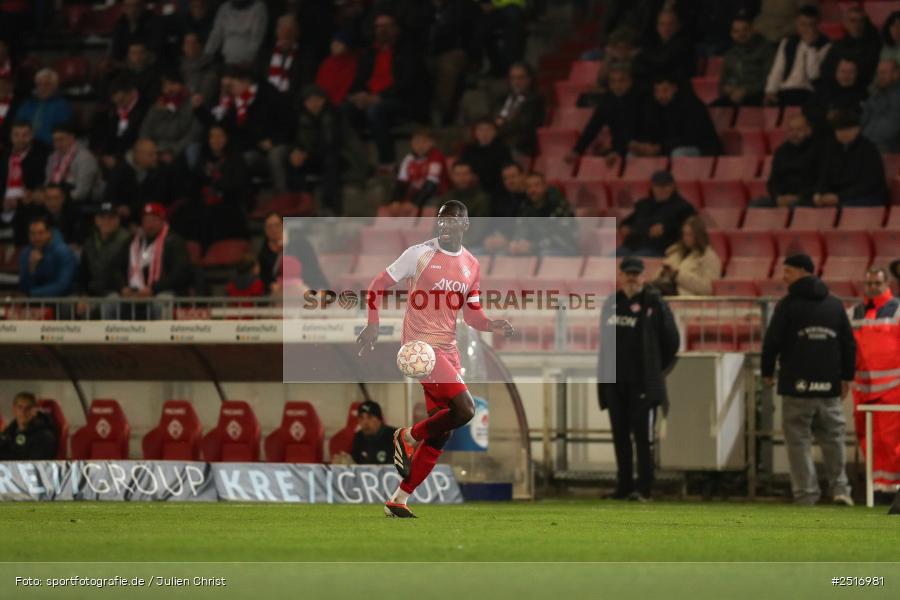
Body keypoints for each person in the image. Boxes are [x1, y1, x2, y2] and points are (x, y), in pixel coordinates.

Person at [357, 200, 514, 518]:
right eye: (442, 221)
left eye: (454, 221)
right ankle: (408, 435)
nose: (447, 225)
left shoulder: (471, 264)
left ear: (465, 226)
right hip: (420, 349)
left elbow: (471, 313)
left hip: (447, 350)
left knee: (442, 430)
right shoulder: (418, 254)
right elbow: (378, 285)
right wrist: (373, 324)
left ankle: (399, 499)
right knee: (465, 409)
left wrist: (490, 323)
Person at [761, 253, 856, 506]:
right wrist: (847, 376)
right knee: (834, 440)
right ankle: (840, 489)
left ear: (802, 271)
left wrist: (767, 371)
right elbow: (848, 343)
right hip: (829, 387)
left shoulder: (787, 305)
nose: (784, 276)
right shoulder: (835, 305)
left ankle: (806, 495)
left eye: (788, 271)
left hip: (796, 387)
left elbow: (772, 342)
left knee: (798, 443)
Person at [597, 256, 679, 501]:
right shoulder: (612, 303)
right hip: (615, 383)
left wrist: (654, 369)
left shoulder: (654, 303)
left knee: (643, 438)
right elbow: (604, 345)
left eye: (636, 274)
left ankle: (644, 488)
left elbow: (672, 342)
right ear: (620, 276)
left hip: (642, 384)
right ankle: (624, 486)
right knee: (620, 436)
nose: (632, 278)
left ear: (643, 276)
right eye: (627, 273)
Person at [345, 12, 423, 170]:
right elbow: (358, 80)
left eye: (386, 26)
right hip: (371, 99)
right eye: (378, 27)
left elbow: (408, 83)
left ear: (396, 29)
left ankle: (387, 161)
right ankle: (356, 162)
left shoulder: (407, 51)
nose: (382, 30)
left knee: (375, 111)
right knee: (343, 110)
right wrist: (358, 95)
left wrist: (379, 97)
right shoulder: (369, 53)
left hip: (400, 101)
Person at [850, 267, 900, 496]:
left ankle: (891, 489)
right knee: (868, 440)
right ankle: (877, 486)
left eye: (876, 284)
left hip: (893, 388)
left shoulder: (897, 310)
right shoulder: (855, 312)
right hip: (862, 390)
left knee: (891, 442)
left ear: (886, 284)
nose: (871, 288)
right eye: (868, 284)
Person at [287, 84, 368, 216]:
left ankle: (331, 206)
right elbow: (301, 142)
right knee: (292, 161)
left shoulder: (333, 116)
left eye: (317, 100)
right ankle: (299, 204)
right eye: (309, 101)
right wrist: (297, 152)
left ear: (324, 100)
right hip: (317, 157)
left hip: (343, 157)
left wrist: (306, 154)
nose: (314, 104)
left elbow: (332, 145)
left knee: (330, 160)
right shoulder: (302, 118)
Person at [124, 202, 193, 312]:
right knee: (112, 302)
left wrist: (153, 289)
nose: (149, 225)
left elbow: (180, 273)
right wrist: (123, 287)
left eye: (153, 220)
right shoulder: (133, 242)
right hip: (136, 292)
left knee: (161, 301)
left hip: (167, 291)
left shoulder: (174, 241)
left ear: (162, 221)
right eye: (146, 221)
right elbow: (116, 267)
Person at [632, 74, 722, 158]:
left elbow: (690, 138)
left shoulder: (691, 106)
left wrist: (660, 147)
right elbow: (651, 132)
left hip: (702, 149)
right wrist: (643, 145)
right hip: (666, 148)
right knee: (632, 155)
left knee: (679, 153)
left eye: (665, 90)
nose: (661, 95)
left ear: (675, 88)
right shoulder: (655, 108)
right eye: (657, 91)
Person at [189, 125, 250, 248]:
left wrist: (217, 183)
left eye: (220, 136)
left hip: (230, 201)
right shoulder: (202, 159)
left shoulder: (235, 158)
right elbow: (195, 184)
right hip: (205, 202)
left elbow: (238, 184)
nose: (216, 140)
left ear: (226, 138)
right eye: (213, 136)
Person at [566, 65, 642, 164]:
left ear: (630, 81)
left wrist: (620, 151)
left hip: (640, 148)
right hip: (618, 150)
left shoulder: (641, 101)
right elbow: (592, 127)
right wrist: (577, 150)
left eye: (621, 81)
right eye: (613, 81)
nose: (617, 85)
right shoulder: (607, 102)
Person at [813, 110, 887, 207]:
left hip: (867, 196)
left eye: (848, 129)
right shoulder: (831, 148)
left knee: (844, 206)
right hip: (838, 195)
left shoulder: (868, 149)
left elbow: (869, 183)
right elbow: (824, 176)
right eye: (840, 130)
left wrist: (839, 196)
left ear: (858, 129)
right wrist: (819, 193)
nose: (844, 133)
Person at [618, 171, 697, 257]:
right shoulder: (643, 204)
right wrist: (624, 226)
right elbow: (628, 221)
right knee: (607, 260)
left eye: (666, 186)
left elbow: (692, 227)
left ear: (673, 186)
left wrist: (666, 228)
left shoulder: (684, 207)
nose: (661, 189)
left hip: (660, 249)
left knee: (634, 262)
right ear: (652, 187)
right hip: (632, 246)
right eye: (658, 186)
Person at [764, 6, 831, 107]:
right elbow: (778, 69)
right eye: (803, 24)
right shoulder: (787, 42)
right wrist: (770, 91)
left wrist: (810, 47)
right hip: (786, 89)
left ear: (817, 25)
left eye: (811, 24)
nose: (808, 29)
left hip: (808, 91)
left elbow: (813, 74)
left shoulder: (826, 45)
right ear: (797, 23)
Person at [104, 138, 180, 225]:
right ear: (138, 155)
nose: (155, 157)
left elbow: (156, 200)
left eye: (156, 153)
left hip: (148, 220)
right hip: (119, 221)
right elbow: (107, 201)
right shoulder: (119, 172)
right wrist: (116, 209)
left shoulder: (160, 172)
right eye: (150, 155)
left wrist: (131, 210)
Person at [755, 113, 821, 207]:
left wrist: (798, 196)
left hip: (806, 197)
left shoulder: (818, 150)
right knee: (755, 205)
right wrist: (778, 197)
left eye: (799, 130)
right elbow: (773, 180)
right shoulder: (781, 151)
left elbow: (820, 180)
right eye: (791, 130)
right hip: (782, 197)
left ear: (808, 130)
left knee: (795, 205)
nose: (794, 133)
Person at [77, 202, 131, 318]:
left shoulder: (128, 241)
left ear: (118, 220)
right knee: (76, 307)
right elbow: (83, 273)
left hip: (117, 293)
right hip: (94, 294)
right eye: (103, 218)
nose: (107, 222)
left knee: (111, 302)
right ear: (97, 220)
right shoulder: (89, 242)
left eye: (111, 218)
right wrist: (83, 295)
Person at [139, 70, 202, 167]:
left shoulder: (192, 103)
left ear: (182, 84)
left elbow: (193, 134)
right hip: (155, 149)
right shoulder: (158, 105)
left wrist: (173, 151)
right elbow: (145, 129)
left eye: (173, 83)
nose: (169, 89)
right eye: (165, 86)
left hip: (177, 149)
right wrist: (150, 149)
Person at [508, 172, 579, 256]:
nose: (532, 190)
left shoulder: (560, 206)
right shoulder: (525, 207)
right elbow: (520, 230)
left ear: (545, 187)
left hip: (564, 250)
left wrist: (532, 246)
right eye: (528, 187)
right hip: (536, 249)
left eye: (536, 185)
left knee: (545, 253)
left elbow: (560, 239)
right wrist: (516, 243)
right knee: (506, 253)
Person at [715, 14, 776, 107]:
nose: (741, 34)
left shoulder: (765, 50)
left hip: (757, 96)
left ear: (752, 30)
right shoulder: (730, 54)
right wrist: (726, 89)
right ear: (731, 34)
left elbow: (769, 80)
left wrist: (746, 91)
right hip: (733, 97)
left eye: (745, 30)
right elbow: (721, 84)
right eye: (736, 31)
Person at [91, 76, 150, 171]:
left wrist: (117, 159)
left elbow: (136, 138)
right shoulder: (118, 109)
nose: (119, 105)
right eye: (116, 103)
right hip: (115, 154)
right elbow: (111, 133)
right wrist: (105, 154)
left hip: (132, 152)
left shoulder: (144, 110)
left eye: (122, 100)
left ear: (132, 92)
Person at [819, 7, 881, 94]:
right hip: (836, 89)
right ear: (846, 23)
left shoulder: (874, 45)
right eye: (853, 20)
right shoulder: (837, 45)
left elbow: (869, 72)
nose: (857, 24)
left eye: (861, 21)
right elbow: (825, 70)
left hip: (861, 89)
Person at [655, 216, 721, 296]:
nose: (685, 238)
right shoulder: (677, 253)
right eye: (684, 234)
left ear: (698, 236)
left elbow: (708, 288)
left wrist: (677, 275)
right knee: (647, 289)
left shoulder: (709, 257)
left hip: (686, 295)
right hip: (666, 289)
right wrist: (663, 273)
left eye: (689, 235)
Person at [259, 14, 315, 105]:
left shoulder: (304, 56)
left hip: (291, 101)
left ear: (296, 33)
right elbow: (258, 78)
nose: (285, 33)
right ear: (276, 32)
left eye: (289, 30)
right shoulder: (265, 54)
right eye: (282, 29)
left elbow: (305, 83)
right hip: (266, 98)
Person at [387, 127, 447, 213]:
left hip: (435, 194)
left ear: (432, 143)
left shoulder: (436, 157)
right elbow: (402, 182)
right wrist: (395, 200)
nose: (420, 145)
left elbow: (432, 183)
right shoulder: (408, 158)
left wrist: (414, 202)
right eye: (416, 142)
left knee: (429, 207)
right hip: (414, 193)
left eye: (424, 142)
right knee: (394, 207)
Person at [18, 214, 77, 297]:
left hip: (62, 299)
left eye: (40, 233)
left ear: (49, 233)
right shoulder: (26, 253)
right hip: (34, 300)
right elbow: (23, 288)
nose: (36, 237)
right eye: (32, 234)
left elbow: (62, 286)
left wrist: (32, 293)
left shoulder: (63, 252)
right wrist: (32, 269)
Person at [493, 62, 544, 157]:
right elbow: (491, 120)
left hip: (519, 146)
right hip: (497, 144)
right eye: (513, 78)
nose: (516, 82)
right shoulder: (502, 99)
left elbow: (524, 126)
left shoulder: (534, 100)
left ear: (529, 79)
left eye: (520, 78)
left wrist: (499, 127)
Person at [802, 58, 867, 131]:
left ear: (856, 74)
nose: (846, 76)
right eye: (843, 71)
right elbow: (807, 109)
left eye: (851, 72)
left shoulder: (862, 94)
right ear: (836, 72)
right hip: (819, 133)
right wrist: (826, 115)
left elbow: (859, 115)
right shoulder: (824, 89)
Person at [632, 8, 695, 84]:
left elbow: (662, 62)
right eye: (662, 24)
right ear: (657, 27)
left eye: (671, 24)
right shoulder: (657, 44)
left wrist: (640, 55)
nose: (666, 28)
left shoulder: (683, 43)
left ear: (678, 26)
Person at [13, 69, 72, 146]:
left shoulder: (62, 106)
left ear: (55, 86)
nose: (42, 88)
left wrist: (34, 140)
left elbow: (60, 134)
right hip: (24, 144)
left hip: (47, 146)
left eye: (47, 84)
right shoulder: (28, 103)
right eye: (39, 84)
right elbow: (18, 124)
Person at [459, 119, 513, 201]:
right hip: (473, 188)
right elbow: (461, 168)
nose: (484, 133)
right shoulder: (468, 150)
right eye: (480, 129)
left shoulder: (503, 150)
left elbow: (507, 170)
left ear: (495, 132)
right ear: (475, 133)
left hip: (497, 189)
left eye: (488, 129)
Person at [44, 123, 100, 203]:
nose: (58, 143)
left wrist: (58, 199)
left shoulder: (84, 157)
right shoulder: (52, 157)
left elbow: (82, 192)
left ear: (71, 138)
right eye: (55, 140)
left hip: (79, 202)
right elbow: (47, 182)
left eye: (61, 139)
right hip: (57, 199)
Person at [204, 0, 268, 66]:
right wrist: (207, 53)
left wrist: (249, 58)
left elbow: (257, 38)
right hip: (226, 60)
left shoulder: (259, 8)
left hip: (248, 62)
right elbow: (216, 34)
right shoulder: (224, 8)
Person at [0, 392, 58, 460]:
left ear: (35, 411)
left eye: (28, 408)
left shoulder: (44, 436)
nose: (23, 411)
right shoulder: (7, 433)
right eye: (20, 407)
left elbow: (35, 464)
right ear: (14, 409)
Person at [861, 59, 900, 153]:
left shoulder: (897, 97)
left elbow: (891, 127)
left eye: (883, 73)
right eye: (878, 73)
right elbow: (864, 118)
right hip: (867, 143)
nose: (880, 77)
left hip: (887, 148)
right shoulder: (877, 94)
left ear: (896, 73)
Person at [315, 32, 358, 107]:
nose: (334, 46)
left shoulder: (353, 63)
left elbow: (347, 86)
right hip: (322, 101)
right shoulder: (326, 62)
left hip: (340, 102)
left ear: (347, 46)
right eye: (333, 43)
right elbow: (318, 84)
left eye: (338, 43)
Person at [351, 400, 396, 465]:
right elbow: (356, 464)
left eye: (370, 417)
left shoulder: (394, 436)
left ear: (379, 419)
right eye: (361, 418)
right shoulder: (359, 437)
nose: (365, 422)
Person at [180, 31, 219, 107]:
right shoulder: (178, 67)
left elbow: (204, 98)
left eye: (194, 43)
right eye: (187, 43)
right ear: (183, 46)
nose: (190, 46)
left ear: (200, 46)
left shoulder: (209, 70)